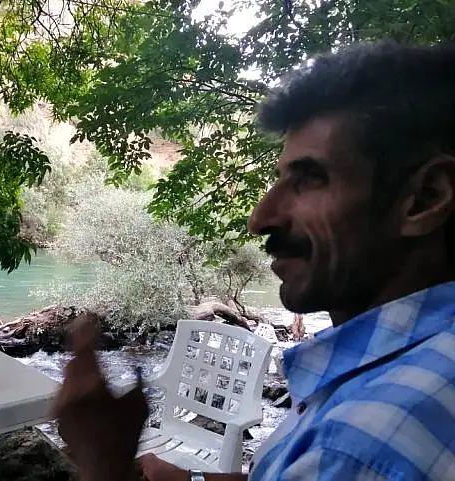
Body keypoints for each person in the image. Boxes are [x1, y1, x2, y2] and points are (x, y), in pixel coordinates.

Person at [55, 40, 455, 481]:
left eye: (310, 179)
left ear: (425, 198)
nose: (260, 218)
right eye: (279, 179)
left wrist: (104, 462)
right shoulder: (426, 366)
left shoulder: (355, 445)